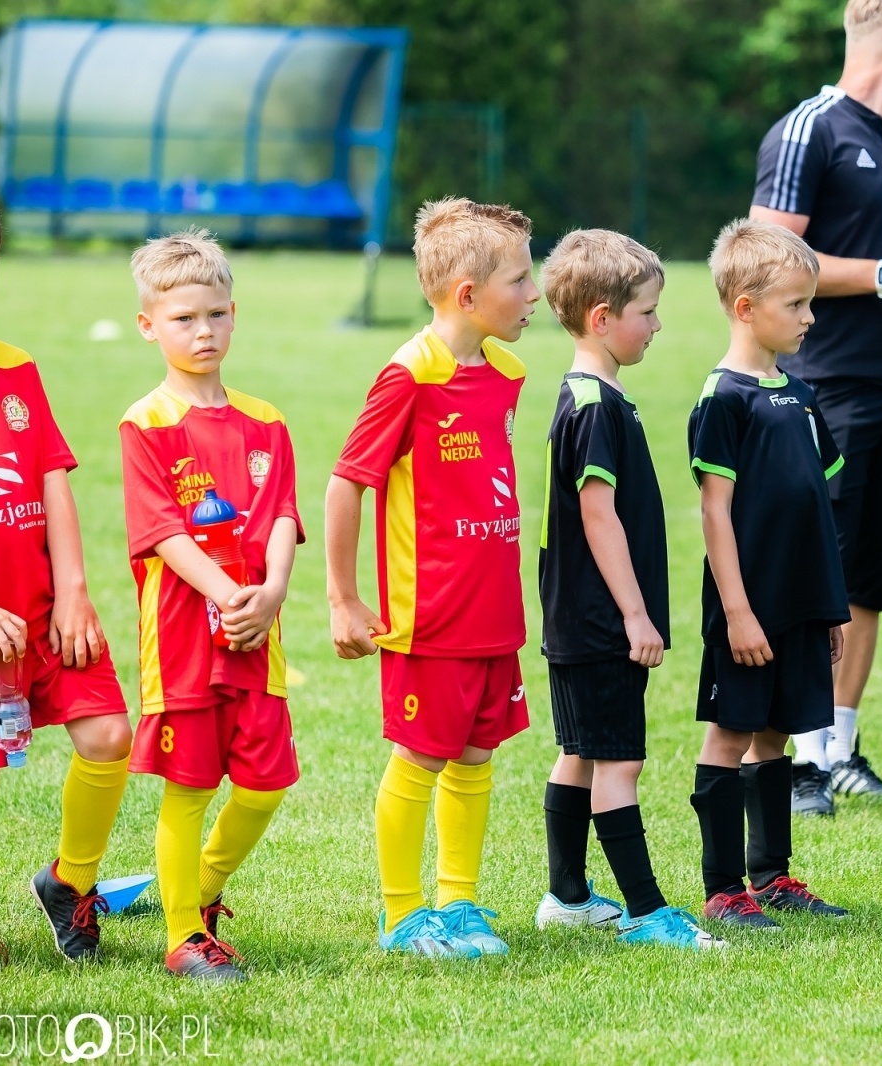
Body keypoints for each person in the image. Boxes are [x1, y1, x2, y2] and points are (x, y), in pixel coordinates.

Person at [328, 198, 535, 957]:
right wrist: (345, 597)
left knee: (477, 756)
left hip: (494, 615)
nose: (535, 294)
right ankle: (402, 912)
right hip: (432, 616)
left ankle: (460, 902)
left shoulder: (506, 372)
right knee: (421, 757)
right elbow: (347, 482)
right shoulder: (409, 375)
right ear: (468, 296)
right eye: (521, 279)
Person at [749, 0, 882, 813]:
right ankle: (792, 759)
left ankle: (839, 750)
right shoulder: (811, 129)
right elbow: (768, 257)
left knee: (868, 577)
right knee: (812, 575)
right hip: (822, 388)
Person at [120, 229, 303, 981]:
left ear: (235, 315)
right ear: (149, 325)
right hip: (186, 639)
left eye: (217, 315)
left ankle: (195, 892)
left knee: (265, 784)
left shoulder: (266, 420)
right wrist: (229, 593)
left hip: (259, 634)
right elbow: (161, 532)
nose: (204, 332)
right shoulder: (146, 424)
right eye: (185, 318)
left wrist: (272, 594)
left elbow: (285, 515)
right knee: (190, 785)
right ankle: (183, 938)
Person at [536, 229, 722, 949]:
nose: (657, 325)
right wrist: (636, 614)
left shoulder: (593, 394)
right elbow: (596, 512)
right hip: (601, 618)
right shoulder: (595, 406)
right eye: (646, 312)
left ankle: (568, 894)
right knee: (619, 759)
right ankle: (646, 913)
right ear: (600, 317)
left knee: (581, 750)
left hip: (578, 617)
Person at [0, 190, 133, 973]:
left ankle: (69, 884)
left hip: (43, 609)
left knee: (109, 733)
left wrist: (73, 589)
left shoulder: (15, 370)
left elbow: (54, 480)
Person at [687, 219, 851, 930]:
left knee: (777, 733)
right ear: (746, 306)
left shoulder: (803, 397)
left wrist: (833, 604)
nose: (810, 318)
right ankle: (723, 889)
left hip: (803, 601)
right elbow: (714, 515)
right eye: (796, 305)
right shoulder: (723, 399)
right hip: (747, 606)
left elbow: (819, 505)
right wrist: (738, 611)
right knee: (731, 731)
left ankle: (773, 876)